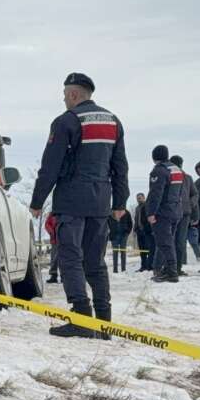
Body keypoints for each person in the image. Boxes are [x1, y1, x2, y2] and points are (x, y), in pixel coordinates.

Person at [28, 73, 129, 338]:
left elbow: (50, 166)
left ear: (73, 94)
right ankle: (104, 324)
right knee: (95, 262)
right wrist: (120, 201)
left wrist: (37, 201)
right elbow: (120, 166)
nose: (64, 100)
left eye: (65, 95)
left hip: (71, 201)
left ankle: (82, 319)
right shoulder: (113, 121)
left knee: (70, 258)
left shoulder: (66, 121)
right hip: (100, 202)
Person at [146, 145, 185, 283]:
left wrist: (151, 212)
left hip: (163, 212)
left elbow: (156, 193)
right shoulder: (177, 169)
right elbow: (180, 192)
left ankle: (172, 272)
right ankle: (166, 269)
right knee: (169, 242)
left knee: (164, 243)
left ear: (154, 157)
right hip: (176, 210)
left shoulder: (159, 171)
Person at [170, 155, 198, 275]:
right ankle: (171, 267)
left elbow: (195, 194)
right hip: (171, 213)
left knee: (179, 241)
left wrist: (190, 204)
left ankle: (177, 268)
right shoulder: (168, 175)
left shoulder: (187, 178)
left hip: (184, 213)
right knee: (172, 241)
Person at [108, 205, 133, 274]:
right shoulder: (110, 213)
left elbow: (130, 223)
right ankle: (115, 270)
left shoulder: (126, 212)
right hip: (114, 236)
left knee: (123, 252)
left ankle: (123, 269)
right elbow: (107, 224)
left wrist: (127, 233)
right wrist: (109, 234)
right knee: (115, 252)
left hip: (123, 235)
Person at [133, 193, 154, 272]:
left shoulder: (147, 206)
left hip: (146, 230)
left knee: (148, 248)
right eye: (137, 198)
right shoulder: (137, 208)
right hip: (139, 231)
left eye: (140, 198)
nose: (138, 199)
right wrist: (135, 230)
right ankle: (143, 266)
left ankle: (150, 265)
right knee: (142, 249)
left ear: (144, 198)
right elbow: (136, 219)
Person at [44, 212, 60, 282]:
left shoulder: (66, 212)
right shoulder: (52, 213)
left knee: (64, 258)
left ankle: (64, 276)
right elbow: (47, 224)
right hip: (55, 241)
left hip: (65, 240)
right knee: (54, 258)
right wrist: (51, 232)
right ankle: (53, 276)